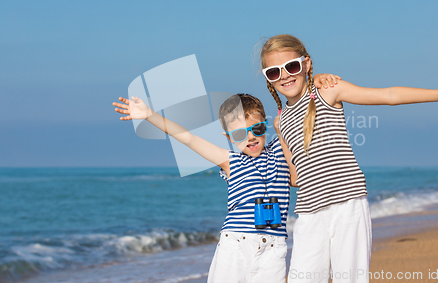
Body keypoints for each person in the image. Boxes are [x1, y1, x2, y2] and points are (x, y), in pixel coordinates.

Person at [259, 34, 438, 283]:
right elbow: (296, 176)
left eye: (292, 66)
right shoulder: (280, 122)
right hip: (309, 213)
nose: (285, 75)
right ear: (268, 79)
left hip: (348, 204)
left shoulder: (328, 91)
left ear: (306, 64)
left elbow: (389, 96)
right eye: (274, 72)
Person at [111, 74, 340, 283]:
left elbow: (305, 125)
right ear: (228, 137)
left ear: (265, 126)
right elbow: (188, 138)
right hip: (236, 245)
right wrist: (149, 115)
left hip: (274, 248)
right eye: (240, 134)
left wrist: (313, 83)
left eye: (257, 129)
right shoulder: (229, 160)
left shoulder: (279, 149)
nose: (250, 137)